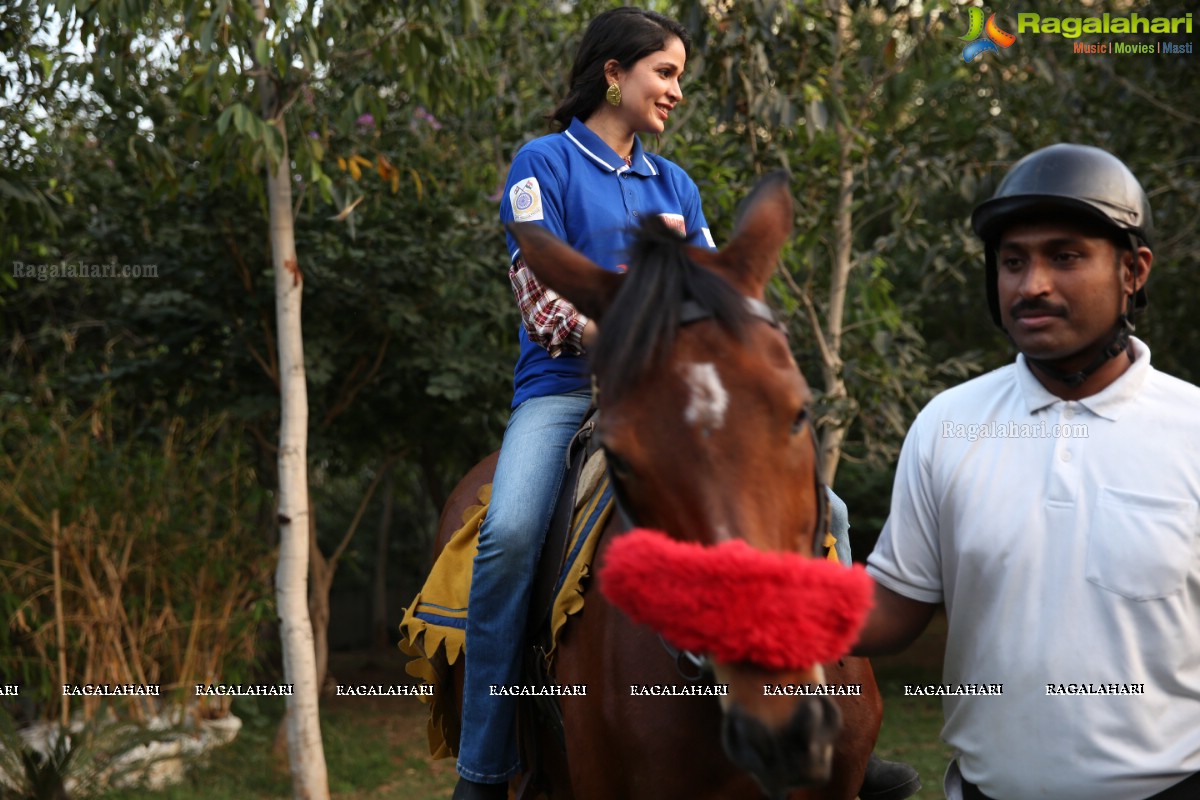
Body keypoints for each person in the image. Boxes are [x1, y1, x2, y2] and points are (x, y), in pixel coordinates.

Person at [457, 7, 917, 800]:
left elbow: (716, 294)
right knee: (508, 534)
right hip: (564, 394)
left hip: (676, 402)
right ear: (614, 72)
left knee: (831, 514)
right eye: (664, 73)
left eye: (680, 77)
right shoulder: (541, 164)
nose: (675, 91)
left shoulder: (676, 184)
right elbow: (542, 303)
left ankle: (839, 731)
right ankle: (488, 762)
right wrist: (642, 347)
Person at [854, 143, 1200, 800]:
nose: (1031, 283)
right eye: (1013, 262)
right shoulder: (948, 423)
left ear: (1134, 270)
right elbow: (892, 610)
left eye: (1065, 257)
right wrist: (761, 605)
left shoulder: (1194, 430)